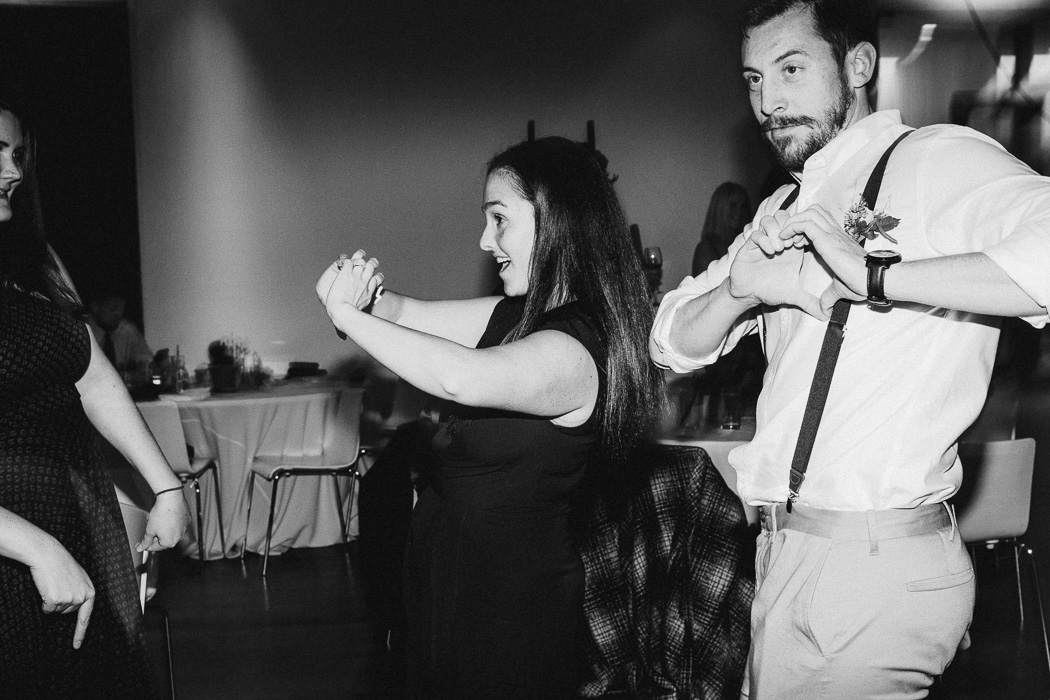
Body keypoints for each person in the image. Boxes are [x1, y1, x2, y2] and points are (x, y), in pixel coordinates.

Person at [649, 1, 1050, 697]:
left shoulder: (935, 160)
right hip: (789, 552)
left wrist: (873, 276)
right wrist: (740, 293)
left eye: (791, 69)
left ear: (858, 66)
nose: (767, 101)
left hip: (868, 559)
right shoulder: (781, 209)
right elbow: (668, 341)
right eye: (752, 80)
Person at [315, 136, 662, 699]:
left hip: (510, 608)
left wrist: (345, 317)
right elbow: (405, 314)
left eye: (499, 220)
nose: (485, 241)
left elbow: (461, 378)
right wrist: (357, 289)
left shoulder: (579, 347)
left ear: (558, 220)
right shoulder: (516, 316)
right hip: (449, 581)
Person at [0, 99, 191, 697]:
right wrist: (35, 547)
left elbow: (93, 377)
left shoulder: (34, 258)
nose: (13, 171)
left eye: (17, 154)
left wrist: (165, 488)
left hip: (75, 523)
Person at [692, 181, 753, 278]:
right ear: (719, 209)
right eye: (733, 205)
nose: (739, 211)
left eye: (743, 206)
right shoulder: (706, 250)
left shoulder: (746, 243)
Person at [86, 293, 153, 372]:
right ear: (95, 307)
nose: (117, 314)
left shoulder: (127, 330)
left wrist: (156, 361)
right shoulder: (83, 332)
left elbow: (147, 359)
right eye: (112, 309)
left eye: (121, 309)